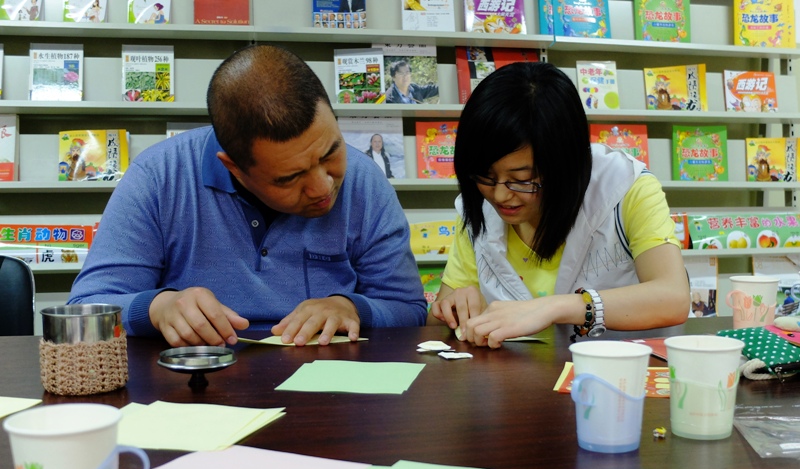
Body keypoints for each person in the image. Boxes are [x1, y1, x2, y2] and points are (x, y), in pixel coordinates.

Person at [68, 44, 427, 348]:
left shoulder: (365, 181)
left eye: (330, 153)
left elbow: (408, 308)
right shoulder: (158, 177)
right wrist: (156, 308)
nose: (323, 187)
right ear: (233, 167)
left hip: (331, 385)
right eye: (290, 178)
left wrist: (353, 308)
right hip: (195, 387)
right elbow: (85, 309)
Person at [428, 62, 689, 348]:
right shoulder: (479, 206)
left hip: (618, 368)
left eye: (522, 180)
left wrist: (555, 308)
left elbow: (673, 298)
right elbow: (434, 326)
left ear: (565, 166)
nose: (500, 195)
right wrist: (454, 310)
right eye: (485, 176)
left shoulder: (625, 187)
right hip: (517, 373)